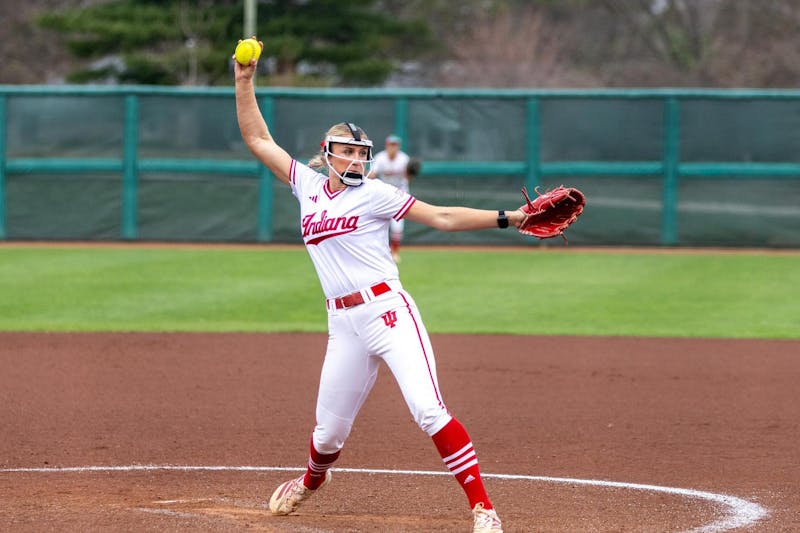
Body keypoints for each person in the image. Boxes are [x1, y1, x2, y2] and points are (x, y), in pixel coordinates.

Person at [234, 38, 529, 533]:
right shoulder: (305, 186)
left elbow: (442, 216)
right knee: (328, 434)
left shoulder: (374, 193)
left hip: (388, 313)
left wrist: (510, 217)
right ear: (326, 155)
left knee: (428, 410)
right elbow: (258, 139)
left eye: (360, 153)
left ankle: (483, 508)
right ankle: (311, 481)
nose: (355, 160)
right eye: (346, 152)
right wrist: (244, 81)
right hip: (342, 322)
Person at [369, 134, 411, 262]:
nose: (393, 147)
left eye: (395, 145)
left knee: (397, 226)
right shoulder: (380, 158)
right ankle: (378, 252)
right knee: (377, 223)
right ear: (387, 145)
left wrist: (410, 173)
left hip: (400, 194)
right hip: (384, 194)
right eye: (391, 144)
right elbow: (372, 175)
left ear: (398, 146)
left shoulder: (404, 159)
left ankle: (395, 252)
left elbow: (407, 178)